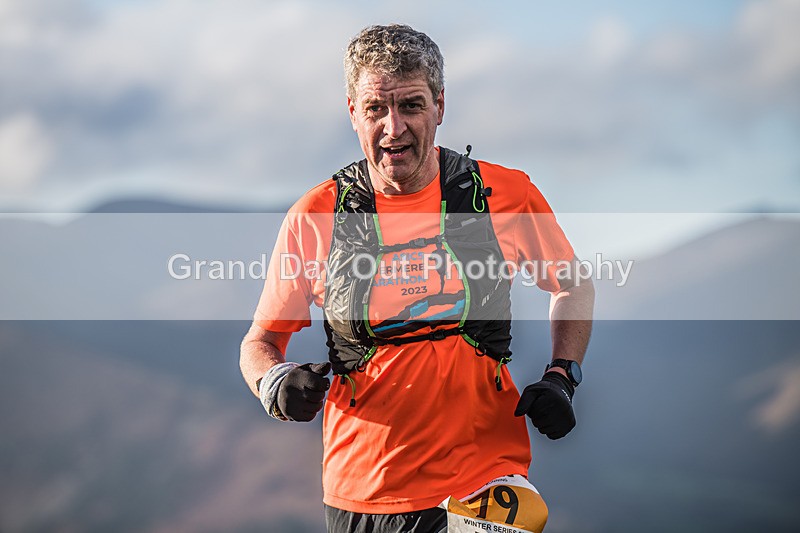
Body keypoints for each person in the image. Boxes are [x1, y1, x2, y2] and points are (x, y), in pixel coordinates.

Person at [240, 24, 594, 533]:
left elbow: (572, 283)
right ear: (351, 112)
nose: (393, 128)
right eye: (375, 109)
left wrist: (563, 374)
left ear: (439, 106)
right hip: (365, 492)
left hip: (485, 481)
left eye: (410, 105)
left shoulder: (505, 195)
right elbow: (259, 342)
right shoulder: (316, 215)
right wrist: (272, 382)